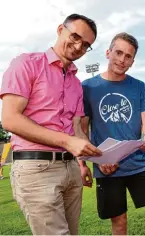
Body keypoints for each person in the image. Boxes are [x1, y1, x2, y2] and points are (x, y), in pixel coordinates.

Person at [0, 14, 102, 235]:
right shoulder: (27, 63)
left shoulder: (76, 82)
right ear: (60, 29)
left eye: (86, 45)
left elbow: (76, 130)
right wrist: (67, 141)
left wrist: (90, 161)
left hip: (71, 170)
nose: (78, 46)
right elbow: (9, 118)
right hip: (37, 168)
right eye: (75, 36)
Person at [80, 32, 145, 235]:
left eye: (128, 56)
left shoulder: (138, 86)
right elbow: (82, 130)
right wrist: (89, 163)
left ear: (133, 61)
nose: (122, 60)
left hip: (139, 163)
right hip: (107, 167)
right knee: (119, 223)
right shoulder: (88, 88)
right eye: (118, 53)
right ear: (108, 52)